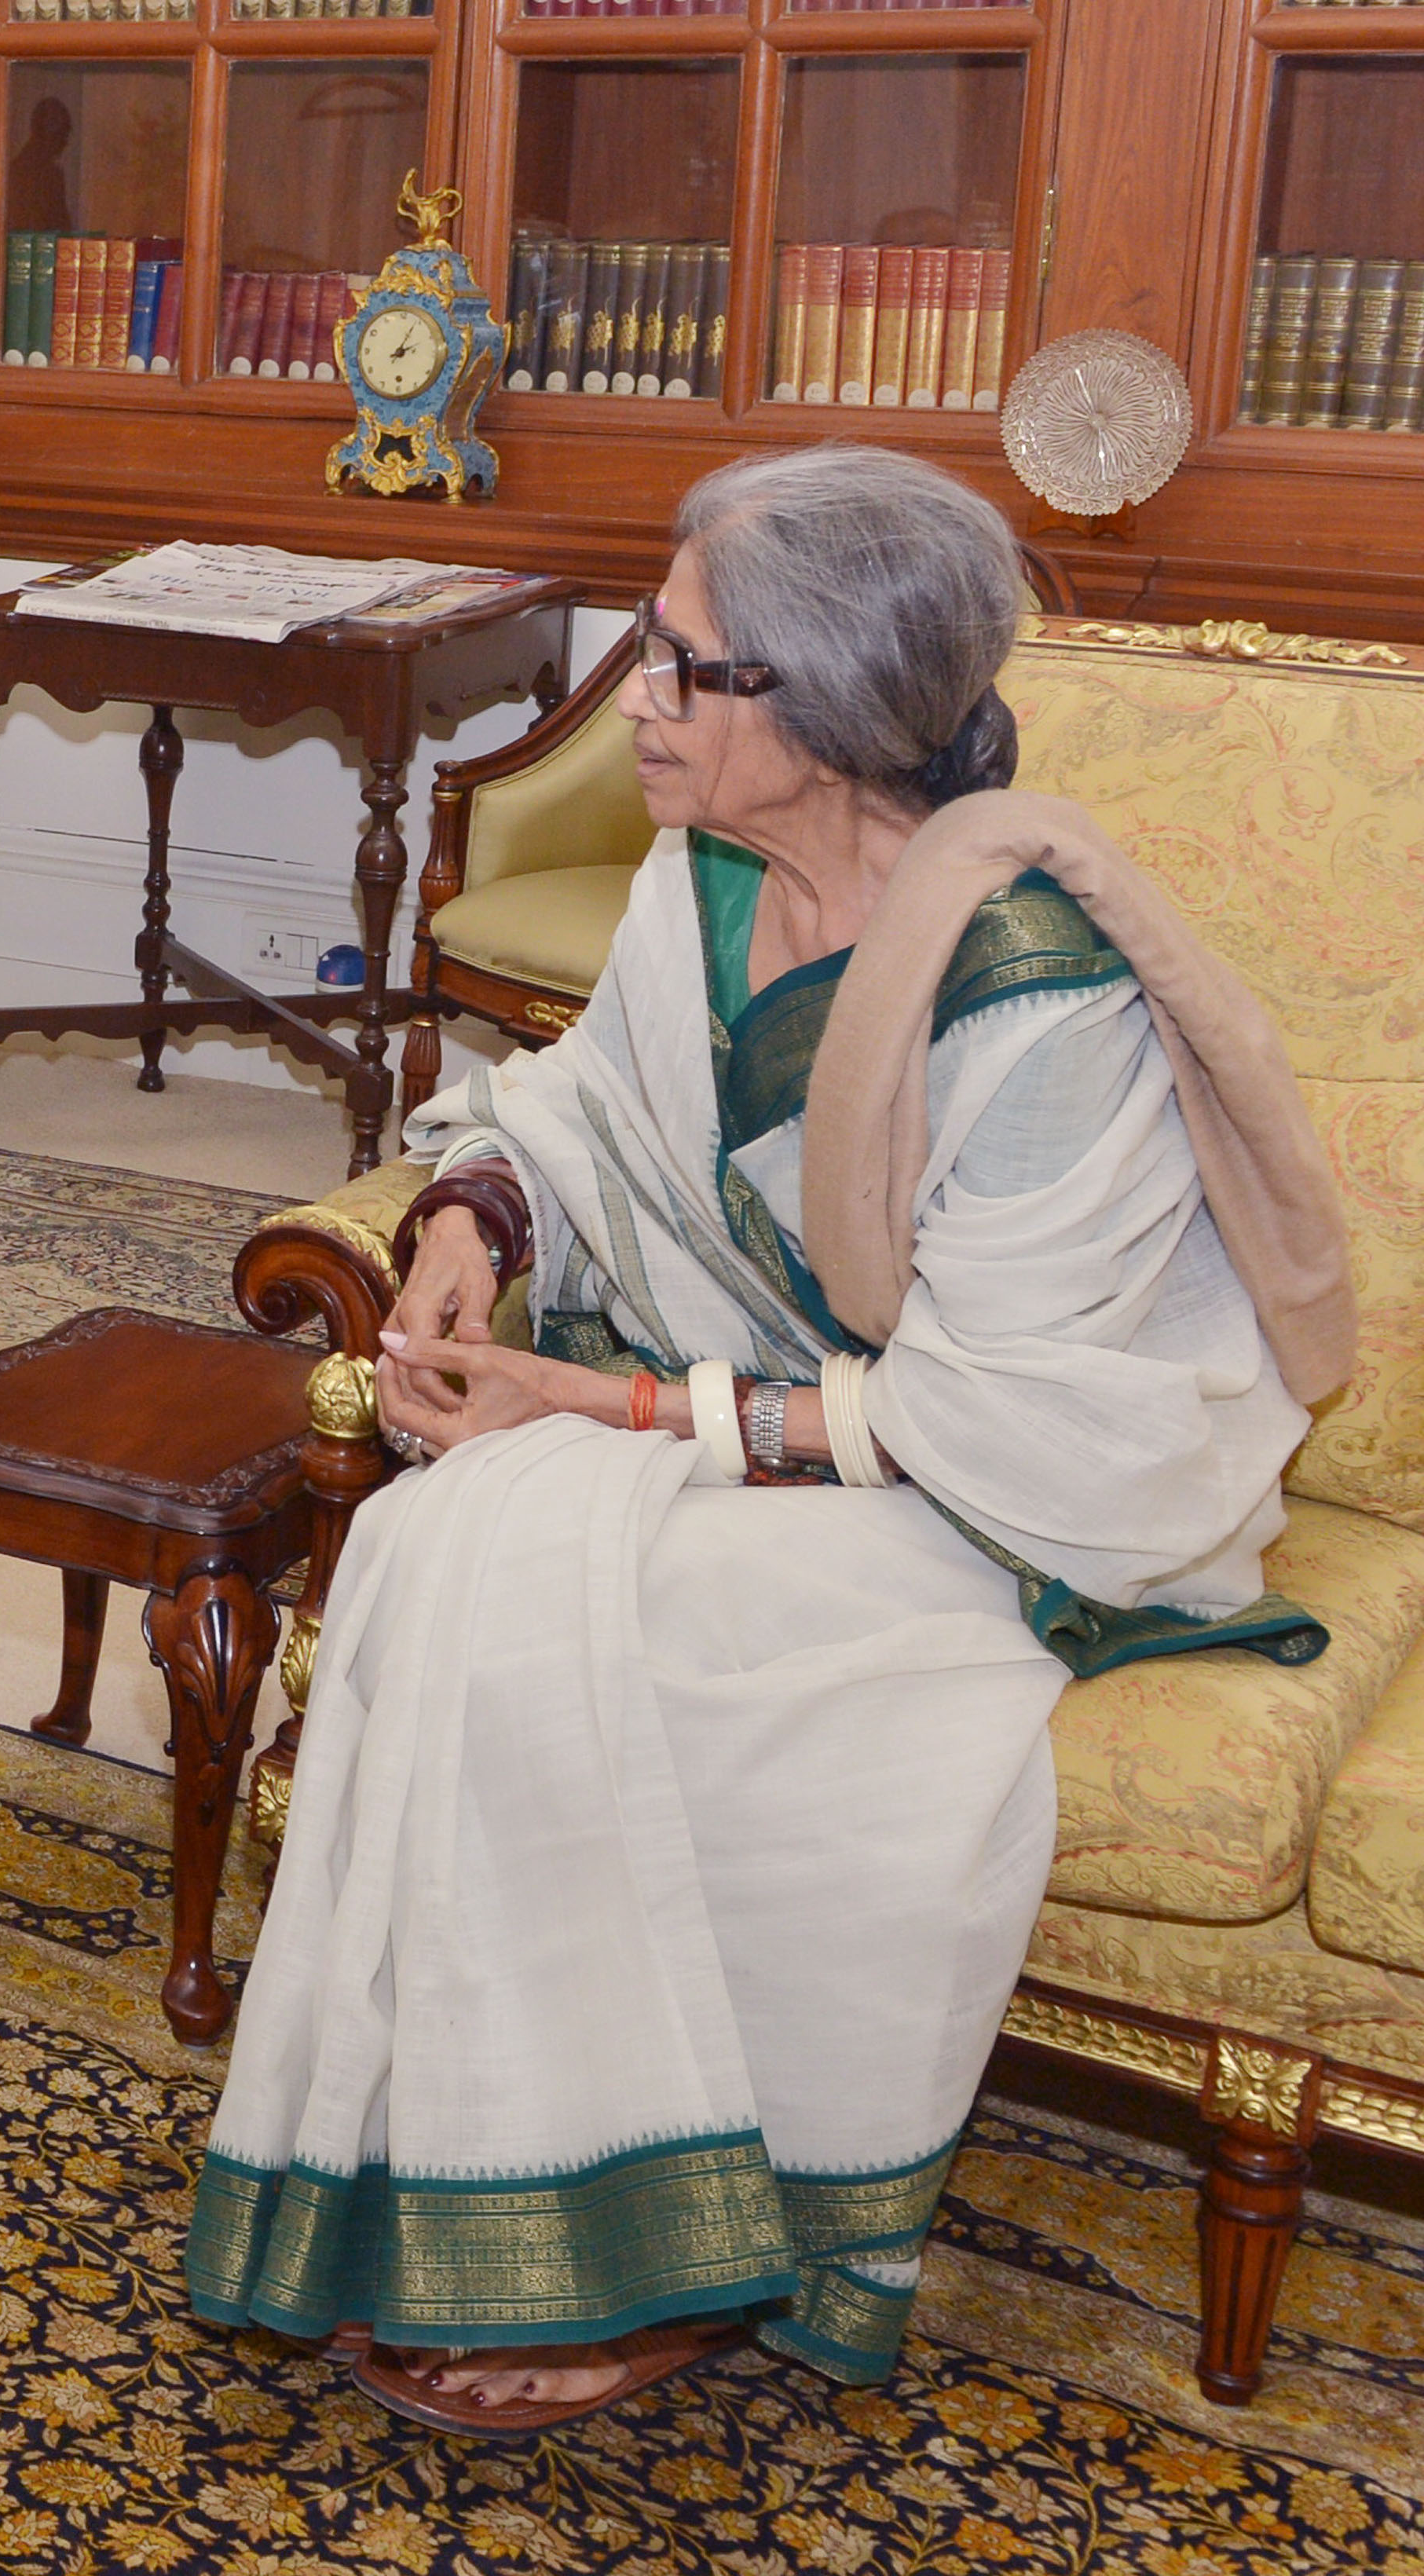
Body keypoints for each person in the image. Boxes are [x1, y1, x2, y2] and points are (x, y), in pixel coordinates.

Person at [184, 446, 1353, 2434]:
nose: (630, 690)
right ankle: (487, 2181)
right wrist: (478, 1228)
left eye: (680, 662)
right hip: (764, 1417)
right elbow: (581, 1105)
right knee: (429, 1550)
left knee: (649, 1631)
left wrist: (606, 1399)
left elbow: (994, 1413)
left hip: (1015, 1493)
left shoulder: (1039, 995)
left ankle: (686, 2249)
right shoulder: (705, 877)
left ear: (819, 716)